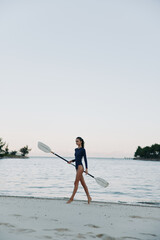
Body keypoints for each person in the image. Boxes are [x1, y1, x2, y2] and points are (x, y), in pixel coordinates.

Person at [67, 137, 92, 204]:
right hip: (76, 167)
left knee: (76, 183)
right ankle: (89, 197)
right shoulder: (75, 149)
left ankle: (71, 198)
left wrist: (86, 168)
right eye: (76, 141)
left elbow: (85, 159)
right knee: (83, 184)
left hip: (80, 167)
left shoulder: (83, 150)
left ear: (81, 142)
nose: (76, 143)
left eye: (77, 141)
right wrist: (71, 161)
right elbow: (76, 158)